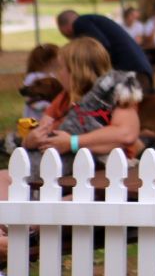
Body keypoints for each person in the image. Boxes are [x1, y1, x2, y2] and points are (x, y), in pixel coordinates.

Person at [1, 38, 142, 200]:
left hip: (105, 177)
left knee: (77, 198)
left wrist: (72, 142)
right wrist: (30, 141)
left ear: (76, 70)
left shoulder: (117, 94)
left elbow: (126, 134)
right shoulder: (64, 97)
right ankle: (10, 224)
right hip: (62, 172)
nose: (56, 73)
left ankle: (33, 224)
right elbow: (45, 128)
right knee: (3, 178)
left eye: (60, 67)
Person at [56, 9, 154, 90]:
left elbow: (101, 46)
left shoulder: (80, 23)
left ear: (65, 28)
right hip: (139, 69)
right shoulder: (93, 21)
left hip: (131, 72)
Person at [20, 43, 60, 120]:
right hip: (33, 119)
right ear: (51, 60)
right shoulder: (33, 77)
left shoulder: (53, 76)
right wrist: (48, 107)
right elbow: (30, 101)